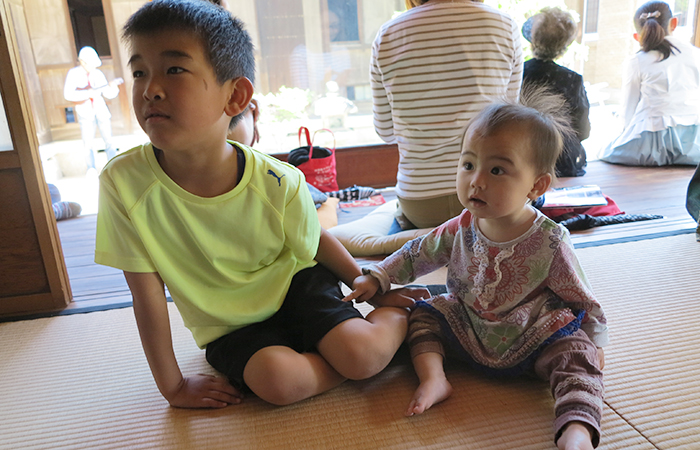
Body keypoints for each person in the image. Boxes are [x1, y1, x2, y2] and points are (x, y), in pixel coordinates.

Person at [95, 0, 417, 409]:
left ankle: (407, 320)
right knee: (279, 382)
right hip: (227, 324)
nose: (149, 89)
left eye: (174, 69)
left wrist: (372, 288)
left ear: (235, 96)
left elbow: (314, 242)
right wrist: (172, 385)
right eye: (139, 72)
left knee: (363, 355)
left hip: (296, 287)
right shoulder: (123, 182)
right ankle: (342, 361)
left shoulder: (278, 180)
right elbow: (146, 294)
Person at [345, 93, 609, 450]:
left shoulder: (551, 240)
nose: (476, 181)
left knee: (577, 356)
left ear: (536, 185)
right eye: (468, 164)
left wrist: (595, 340)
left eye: (497, 170)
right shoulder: (461, 226)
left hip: (532, 333)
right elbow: (416, 253)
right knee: (424, 315)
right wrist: (378, 276)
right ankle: (435, 378)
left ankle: (576, 429)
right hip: (468, 326)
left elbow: (580, 295)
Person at [370, 0, 523, 229]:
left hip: (420, 202)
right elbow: (509, 120)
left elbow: (386, 132)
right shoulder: (504, 25)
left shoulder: (388, 35)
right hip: (492, 196)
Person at [599, 1, 700, 166]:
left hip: (651, 144)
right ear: (674, 23)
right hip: (695, 142)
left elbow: (628, 110)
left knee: (603, 152)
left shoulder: (637, 61)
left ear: (637, 37)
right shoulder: (696, 54)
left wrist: (623, 135)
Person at [522, 7, 590, 177]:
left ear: (532, 41)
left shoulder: (518, 74)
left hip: (524, 158)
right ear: (564, 48)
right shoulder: (573, 80)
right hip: (563, 162)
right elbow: (583, 130)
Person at [63, 46, 122, 175]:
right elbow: (68, 94)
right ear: (82, 61)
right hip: (85, 112)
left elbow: (107, 93)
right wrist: (87, 93)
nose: (93, 67)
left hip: (100, 111)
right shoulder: (73, 74)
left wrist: (113, 88)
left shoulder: (98, 73)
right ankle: (91, 169)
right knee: (87, 143)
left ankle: (113, 167)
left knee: (109, 141)